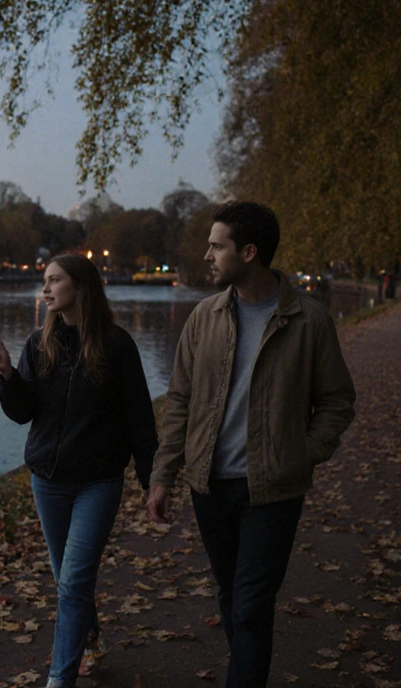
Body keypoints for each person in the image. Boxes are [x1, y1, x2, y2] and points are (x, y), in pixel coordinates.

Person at [147, 201, 356, 688]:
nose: (208, 255)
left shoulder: (310, 320)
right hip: (210, 487)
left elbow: (337, 401)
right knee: (231, 596)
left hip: (272, 490)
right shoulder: (203, 318)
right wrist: (163, 475)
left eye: (217, 246)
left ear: (249, 252)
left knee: (252, 604)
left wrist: (303, 452)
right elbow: (179, 400)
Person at [0, 253, 158, 688]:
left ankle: (60, 679)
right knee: (69, 579)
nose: (45, 289)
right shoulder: (38, 344)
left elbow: (140, 419)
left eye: (54, 280)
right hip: (48, 481)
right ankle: (90, 631)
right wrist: (7, 374)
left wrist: (152, 480)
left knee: (74, 580)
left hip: (98, 483)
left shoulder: (117, 346)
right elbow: (24, 413)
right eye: (44, 281)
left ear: (80, 287)